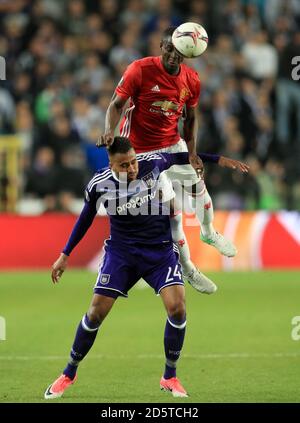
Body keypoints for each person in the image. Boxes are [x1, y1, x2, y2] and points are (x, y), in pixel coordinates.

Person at [44, 137, 249, 399]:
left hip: (159, 250)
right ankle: (68, 374)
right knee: (95, 313)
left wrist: (219, 160)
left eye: (132, 162)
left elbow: (183, 157)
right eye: (124, 165)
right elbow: (85, 217)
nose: (131, 169)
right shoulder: (99, 184)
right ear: (111, 165)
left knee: (178, 307)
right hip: (122, 254)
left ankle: (170, 376)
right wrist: (65, 254)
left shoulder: (152, 163)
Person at [97, 26, 239, 294]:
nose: (173, 55)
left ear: (188, 52)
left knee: (200, 190)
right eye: (169, 49)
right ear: (162, 46)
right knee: (172, 211)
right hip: (141, 153)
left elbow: (191, 117)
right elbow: (116, 104)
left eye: (179, 52)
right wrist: (108, 131)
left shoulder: (191, 80)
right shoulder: (139, 70)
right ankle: (188, 268)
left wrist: (193, 152)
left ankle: (208, 232)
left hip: (173, 145)